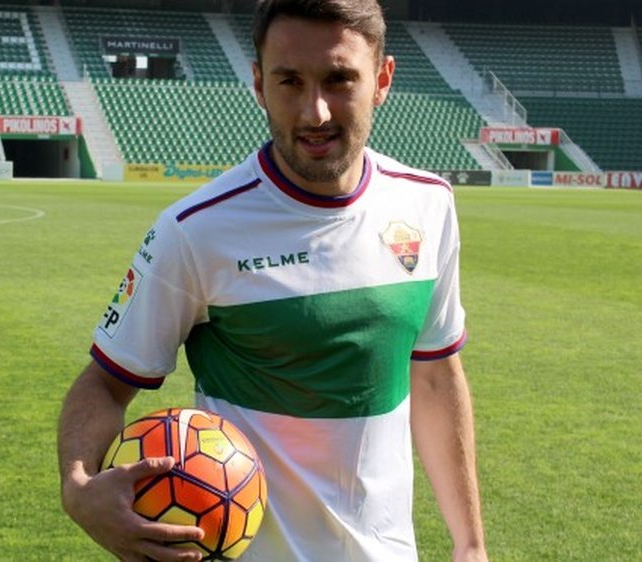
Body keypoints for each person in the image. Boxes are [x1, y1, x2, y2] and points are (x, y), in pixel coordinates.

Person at [57, 0, 488, 560]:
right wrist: (78, 487)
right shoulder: (196, 230)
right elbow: (105, 381)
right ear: (259, 84)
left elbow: (434, 375)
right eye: (290, 81)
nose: (315, 112)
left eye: (340, 80)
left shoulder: (428, 203)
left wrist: (470, 544)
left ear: (381, 80)